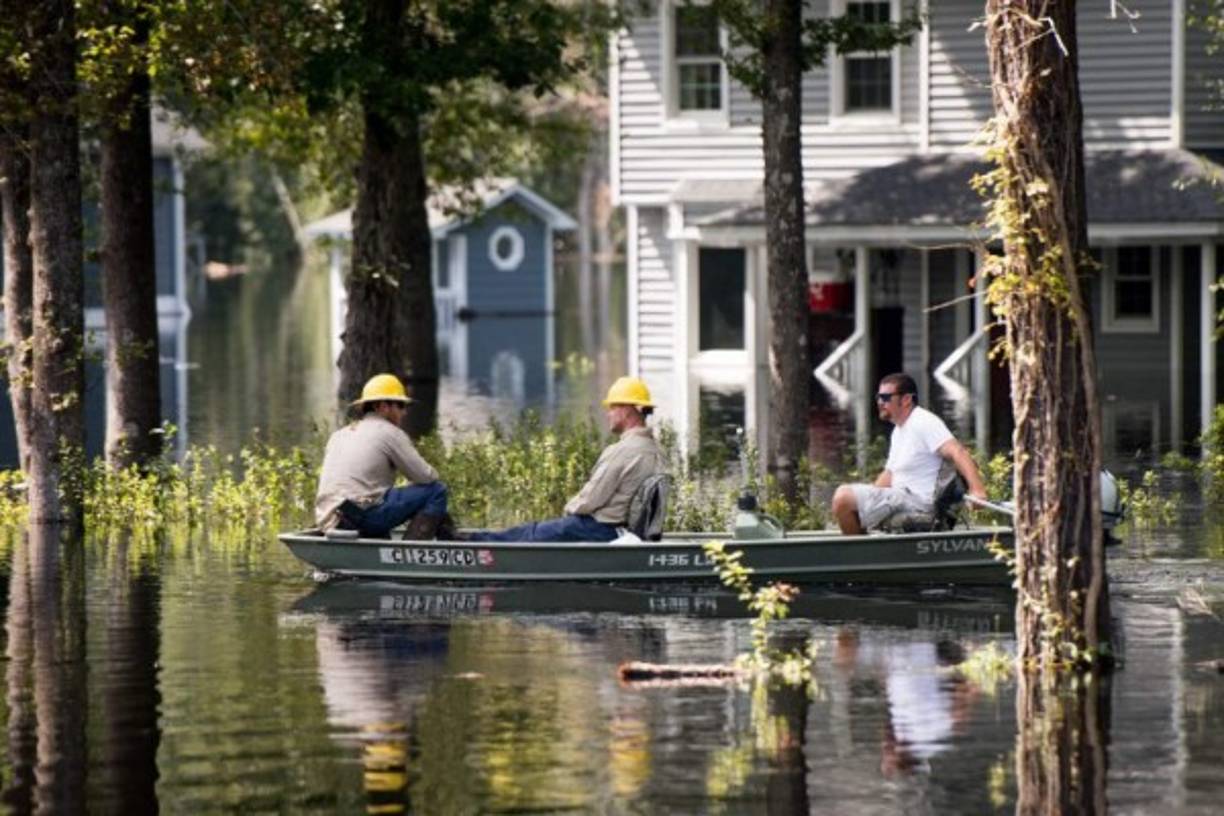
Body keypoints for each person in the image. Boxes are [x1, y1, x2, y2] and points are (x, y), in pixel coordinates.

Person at [467, 376, 667, 542]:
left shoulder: (623, 451)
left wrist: (570, 509)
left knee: (533, 532)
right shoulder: (655, 450)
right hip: (622, 529)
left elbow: (592, 498)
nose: (608, 414)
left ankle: (474, 543)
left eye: (612, 408)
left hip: (601, 529)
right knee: (538, 530)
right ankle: (477, 539)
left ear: (625, 410)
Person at [831, 372, 986, 534]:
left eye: (885, 397)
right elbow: (890, 474)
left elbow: (958, 451)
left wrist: (977, 490)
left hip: (919, 502)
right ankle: (866, 553)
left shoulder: (923, 421)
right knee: (847, 502)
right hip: (900, 497)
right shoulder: (898, 430)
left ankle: (859, 556)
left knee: (843, 497)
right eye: (878, 397)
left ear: (906, 400)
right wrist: (871, 496)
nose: (879, 402)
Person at [315, 373, 451, 540]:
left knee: (376, 499)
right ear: (382, 406)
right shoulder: (390, 432)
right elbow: (426, 477)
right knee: (436, 491)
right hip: (361, 517)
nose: (404, 412)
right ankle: (409, 556)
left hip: (330, 520)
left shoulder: (338, 435)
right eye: (400, 405)